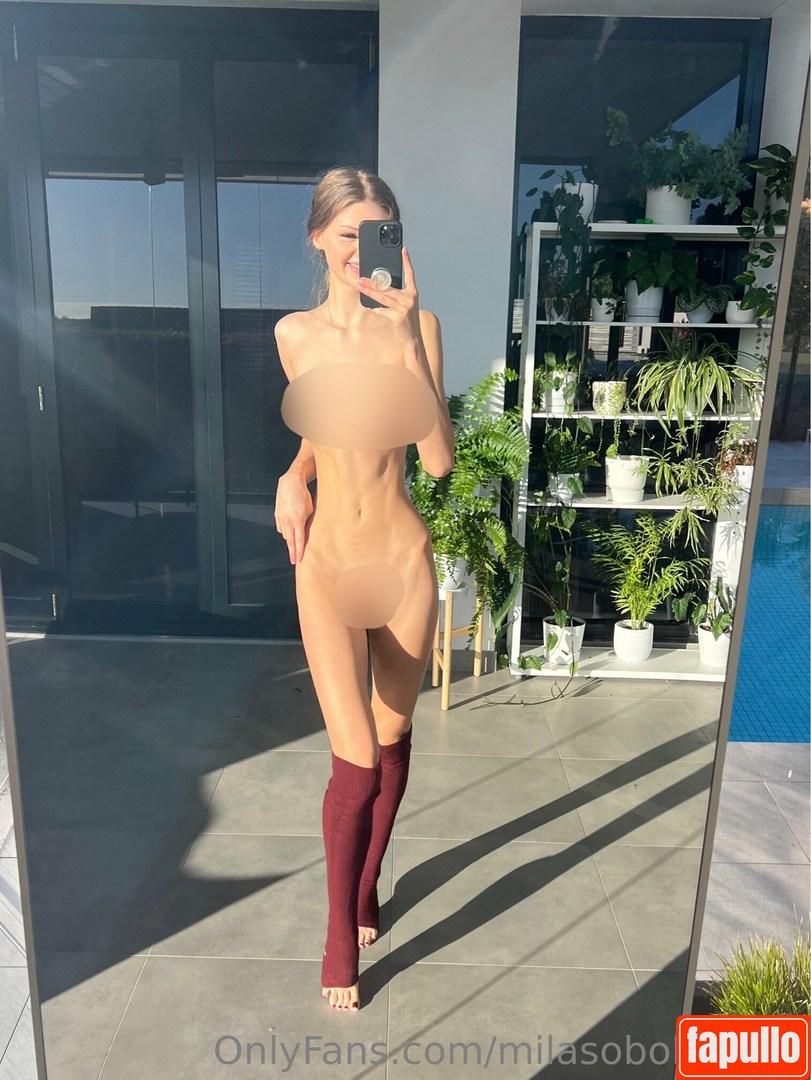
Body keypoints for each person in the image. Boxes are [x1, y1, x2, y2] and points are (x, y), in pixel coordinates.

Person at [273, 166, 455, 1011]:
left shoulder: (420, 328)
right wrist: (293, 474)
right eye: (347, 234)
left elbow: (437, 461)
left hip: (400, 561)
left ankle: (367, 878)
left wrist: (409, 338)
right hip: (330, 565)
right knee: (351, 762)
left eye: (377, 233)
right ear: (318, 237)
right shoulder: (294, 335)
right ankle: (337, 933)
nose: (360, 250)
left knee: (390, 739)